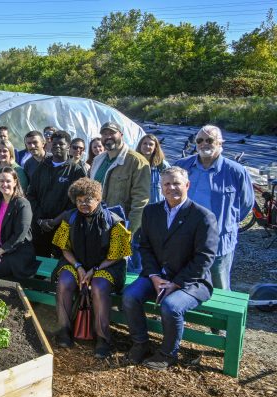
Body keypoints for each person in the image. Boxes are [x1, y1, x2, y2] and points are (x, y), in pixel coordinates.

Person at [122, 167, 219, 369]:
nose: (171, 188)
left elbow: (204, 258)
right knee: (130, 295)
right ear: (161, 187)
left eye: (176, 183)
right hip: (156, 276)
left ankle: (167, 354)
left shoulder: (203, 216)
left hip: (190, 281)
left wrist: (175, 284)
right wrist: (155, 277)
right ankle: (140, 344)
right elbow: (144, 247)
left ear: (187, 185)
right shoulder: (151, 211)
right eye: (167, 184)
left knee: (171, 307)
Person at [51, 178, 132, 358]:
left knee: (99, 286)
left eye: (88, 200)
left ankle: (103, 337)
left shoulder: (113, 221)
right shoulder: (70, 218)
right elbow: (64, 248)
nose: (83, 204)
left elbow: (117, 254)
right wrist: (79, 267)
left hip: (107, 265)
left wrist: (94, 269)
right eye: (79, 200)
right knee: (64, 281)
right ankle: (64, 329)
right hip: (75, 262)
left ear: (97, 198)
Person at [174, 125, 254, 291]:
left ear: (220, 143)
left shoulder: (236, 171)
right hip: (185, 238)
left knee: (219, 286)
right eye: (200, 140)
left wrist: (228, 223)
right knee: (184, 283)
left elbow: (246, 204)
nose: (204, 144)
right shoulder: (182, 167)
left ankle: (221, 315)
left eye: (209, 140)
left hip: (219, 241)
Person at [90, 122, 150, 273]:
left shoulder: (136, 161)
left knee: (124, 271)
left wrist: (130, 231)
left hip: (121, 227)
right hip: (99, 225)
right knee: (99, 268)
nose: (108, 137)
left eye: (112, 133)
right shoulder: (98, 160)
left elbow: (141, 200)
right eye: (104, 134)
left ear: (121, 135)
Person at [26, 130, 87, 257]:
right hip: (40, 225)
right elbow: (31, 194)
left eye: (61, 144)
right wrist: (39, 219)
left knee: (61, 262)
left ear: (69, 147)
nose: (57, 146)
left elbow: (78, 201)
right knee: (39, 260)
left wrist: (55, 221)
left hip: (63, 226)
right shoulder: (42, 167)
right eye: (54, 144)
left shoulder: (76, 171)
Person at [0, 139, 29, 209]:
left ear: (10, 153)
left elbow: (21, 192)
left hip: (11, 211)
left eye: (5, 151)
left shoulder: (18, 171)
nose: (1, 153)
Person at [135, 134, 170, 204]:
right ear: (140, 146)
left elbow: (170, 184)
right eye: (145, 143)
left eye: (151, 144)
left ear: (155, 148)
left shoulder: (162, 165)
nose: (147, 146)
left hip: (157, 204)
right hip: (138, 204)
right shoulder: (134, 163)